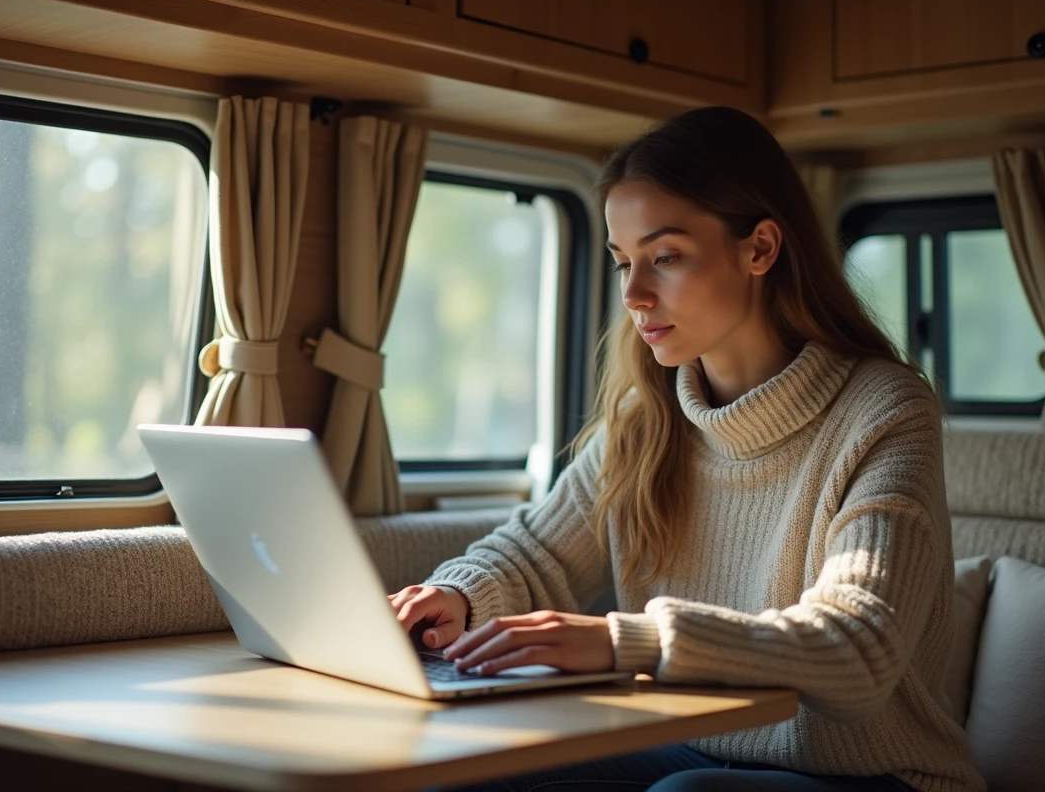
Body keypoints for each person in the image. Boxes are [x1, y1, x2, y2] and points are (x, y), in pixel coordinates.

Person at [390, 106, 984, 792]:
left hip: (880, 779)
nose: (635, 295)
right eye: (622, 263)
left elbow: (858, 652)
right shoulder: (650, 421)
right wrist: (456, 596)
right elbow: (535, 556)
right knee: (462, 766)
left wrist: (625, 641)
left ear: (759, 248)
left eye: (665, 257)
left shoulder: (885, 411)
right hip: (695, 752)